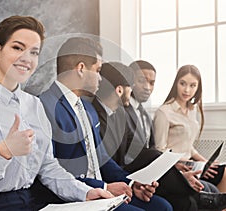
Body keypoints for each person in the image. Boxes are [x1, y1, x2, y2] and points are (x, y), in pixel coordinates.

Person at [0, 16, 115, 211]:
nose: (26, 58)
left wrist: (84, 192)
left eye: (34, 52)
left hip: (31, 203)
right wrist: (4, 152)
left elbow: (48, 168)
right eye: (18, 48)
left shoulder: (34, 105)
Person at [39, 37, 173, 211]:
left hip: (101, 191)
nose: (101, 79)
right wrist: (102, 187)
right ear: (81, 68)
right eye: (98, 70)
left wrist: (131, 184)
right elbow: (51, 171)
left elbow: (101, 158)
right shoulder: (43, 106)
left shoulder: (87, 108)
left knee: (163, 207)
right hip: (75, 197)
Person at [93, 61, 226, 210]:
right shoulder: (100, 113)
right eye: (135, 83)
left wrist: (177, 169)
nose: (141, 88)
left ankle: (195, 193)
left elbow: (143, 150)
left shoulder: (124, 113)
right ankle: (196, 195)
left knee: (154, 156)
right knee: (183, 198)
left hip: (144, 170)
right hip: (122, 174)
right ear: (119, 90)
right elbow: (106, 160)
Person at [153, 64, 226, 193]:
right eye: (183, 83)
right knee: (213, 187)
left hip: (192, 165)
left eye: (192, 85)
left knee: (223, 171)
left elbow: (189, 147)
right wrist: (186, 163)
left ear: (198, 88)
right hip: (176, 168)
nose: (187, 90)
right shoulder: (164, 112)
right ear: (176, 84)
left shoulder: (192, 111)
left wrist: (206, 162)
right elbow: (159, 150)